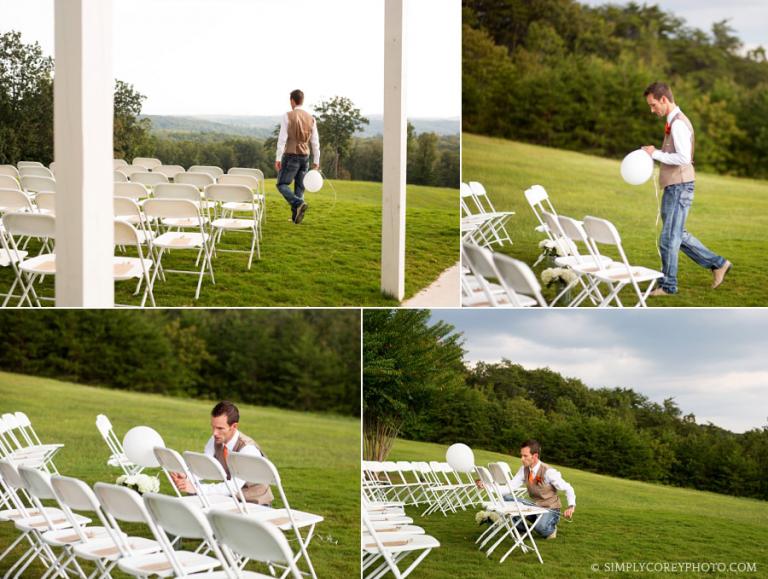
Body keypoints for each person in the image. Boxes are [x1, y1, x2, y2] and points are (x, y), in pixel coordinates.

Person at [641, 81, 731, 296]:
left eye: (653, 105)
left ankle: (668, 286)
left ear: (664, 99)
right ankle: (718, 263)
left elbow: (683, 157)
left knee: (668, 239)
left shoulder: (679, 123)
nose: (652, 110)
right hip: (675, 186)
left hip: (679, 186)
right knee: (676, 234)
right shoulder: (673, 121)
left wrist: (654, 153)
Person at [169, 401, 274, 505]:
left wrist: (197, 489)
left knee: (197, 494)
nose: (214, 433)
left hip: (254, 503)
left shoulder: (248, 449)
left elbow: (234, 486)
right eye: (213, 427)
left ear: (234, 427)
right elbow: (205, 468)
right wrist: (186, 476)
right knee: (195, 500)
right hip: (233, 499)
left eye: (220, 428)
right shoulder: (215, 439)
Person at [502, 439, 575, 540]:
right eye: (521, 455)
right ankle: (523, 529)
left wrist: (571, 506)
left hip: (550, 508)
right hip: (535, 506)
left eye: (525, 456)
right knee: (505, 499)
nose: (521, 459)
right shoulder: (523, 469)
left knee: (541, 528)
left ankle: (551, 529)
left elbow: (568, 488)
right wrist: (488, 487)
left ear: (535, 456)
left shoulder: (549, 472)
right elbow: (510, 487)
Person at [275, 89, 320, 224]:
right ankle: (296, 218)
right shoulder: (311, 118)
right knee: (299, 187)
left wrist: (278, 157)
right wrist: (316, 160)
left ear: (292, 101)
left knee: (281, 184)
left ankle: (299, 202)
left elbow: (282, 139)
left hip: (291, 155)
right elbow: (315, 142)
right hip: (305, 156)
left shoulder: (288, 116)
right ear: (302, 100)